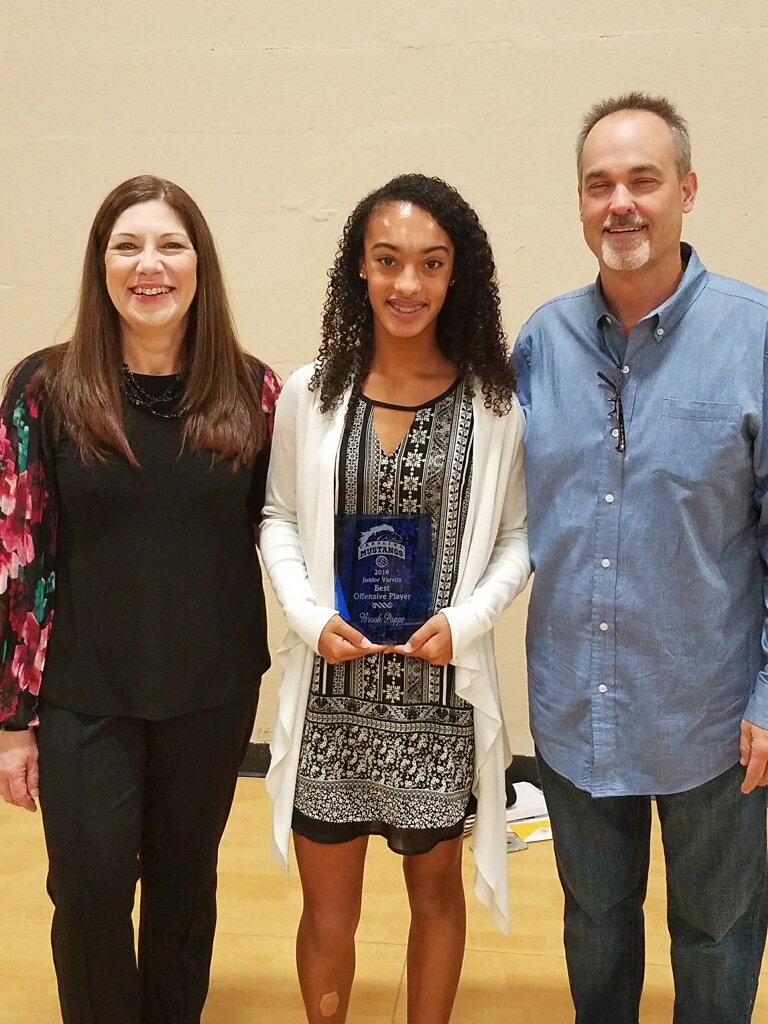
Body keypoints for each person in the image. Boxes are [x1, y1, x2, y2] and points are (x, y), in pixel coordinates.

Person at [0, 175, 280, 1024]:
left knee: (183, 895)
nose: (148, 265)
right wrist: (13, 719)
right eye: (127, 245)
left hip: (211, 691)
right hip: (85, 694)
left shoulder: (255, 391)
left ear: (201, 265)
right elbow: (17, 556)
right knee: (87, 898)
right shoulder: (43, 391)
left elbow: (289, 540)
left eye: (170, 245)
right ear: (101, 265)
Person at [514, 92, 768, 1024]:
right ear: (580, 202)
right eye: (599, 184)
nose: (621, 203)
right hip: (578, 710)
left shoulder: (756, 337)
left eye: (643, 181)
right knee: (597, 921)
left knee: (718, 931)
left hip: (713, 719)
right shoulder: (540, 344)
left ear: (688, 191)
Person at [260, 173, 529, 1024]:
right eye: (388, 261)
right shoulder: (312, 394)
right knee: (328, 912)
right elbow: (277, 518)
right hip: (333, 698)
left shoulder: (495, 405)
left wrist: (465, 621)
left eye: (431, 264)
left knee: (435, 895)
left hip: (439, 698)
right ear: (361, 272)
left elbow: (520, 538)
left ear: (458, 278)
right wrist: (308, 619)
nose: (408, 284)